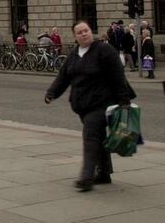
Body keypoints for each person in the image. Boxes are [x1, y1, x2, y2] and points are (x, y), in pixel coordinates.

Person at [45, 21, 135, 192]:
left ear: (91, 31)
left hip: (102, 103)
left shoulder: (104, 50)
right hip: (82, 105)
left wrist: (124, 103)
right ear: (75, 36)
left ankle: (86, 177)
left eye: (86, 30)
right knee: (98, 138)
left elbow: (118, 77)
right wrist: (51, 93)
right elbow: (63, 77)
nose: (84, 34)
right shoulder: (73, 54)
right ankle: (104, 173)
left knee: (90, 136)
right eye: (79, 32)